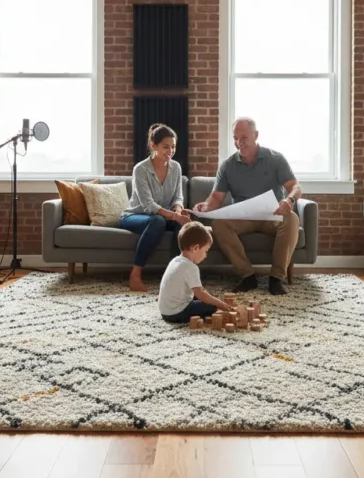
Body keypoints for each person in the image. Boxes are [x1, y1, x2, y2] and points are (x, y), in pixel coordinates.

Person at [193, 117, 301, 295]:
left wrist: (289, 200)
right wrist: (205, 206)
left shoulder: (275, 159)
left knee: (292, 219)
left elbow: (295, 187)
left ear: (255, 135)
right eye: (235, 138)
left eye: (243, 138)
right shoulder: (227, 165)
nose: (238, 143)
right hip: (244, 217)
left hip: (272, 215)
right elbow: (216, 197)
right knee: (219, 224)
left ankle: (276, 278)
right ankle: (247, 276)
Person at [120, 123, 190, 292]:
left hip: (161, 216)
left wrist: (178, 211)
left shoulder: (176, 167)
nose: (170, 151)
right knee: (158, 221)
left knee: (180, 224)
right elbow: (148, 206)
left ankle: (175, 276)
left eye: (173, 147)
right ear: (153, 146)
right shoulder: (141, 169)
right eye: (166, 147)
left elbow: (178, 197)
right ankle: (135, 275)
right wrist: (174, 216)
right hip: (135, 216)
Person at [159, 222, 235, 323]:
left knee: (200, 298)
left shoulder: (175, 260)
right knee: (211, 307)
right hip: (177, 313)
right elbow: (200, 294)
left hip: (165, 312)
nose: (206, 256)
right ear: (195, 248)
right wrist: (219, 303)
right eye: (205, 251)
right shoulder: (191, 267)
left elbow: (198, 290)